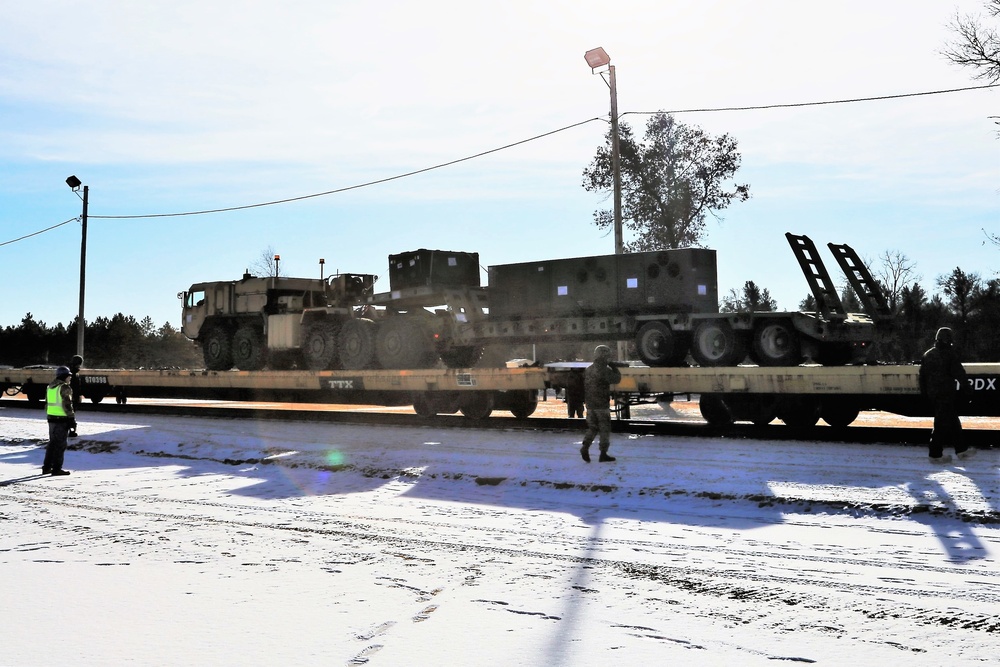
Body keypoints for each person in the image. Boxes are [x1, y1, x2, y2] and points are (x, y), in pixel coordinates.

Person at [918, 327, 973, 464]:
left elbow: (922, 377)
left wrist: (925, 394)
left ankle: (962, 450)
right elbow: (959, 373)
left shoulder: (927, 354)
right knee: (941, 425)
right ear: (948, 340)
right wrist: (968, 390)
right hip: (946, 394)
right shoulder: (949, 354)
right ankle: (935, 455)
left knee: (953, 421)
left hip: (933, 394)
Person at [579, 345, 623, 463]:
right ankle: (603, 454)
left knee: (592, 428)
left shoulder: (589, 369)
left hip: (591, 404)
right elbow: (616, 379)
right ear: (604, 355)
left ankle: (585, 447)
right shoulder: (603, 369)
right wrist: (614, 368)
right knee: (604, 429)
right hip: (601, 405)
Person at [43, 366, 76, 476]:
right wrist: (72, 419)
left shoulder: (50, 387)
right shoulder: (64, 387)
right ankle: (57, 469)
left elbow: (47, 403)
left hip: (51, 418)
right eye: (69, 376)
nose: (70, 378)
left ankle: (46, 467)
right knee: (60, 445)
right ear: (64, 376)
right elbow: (67, 405)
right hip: (62, 419)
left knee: (52, 444)